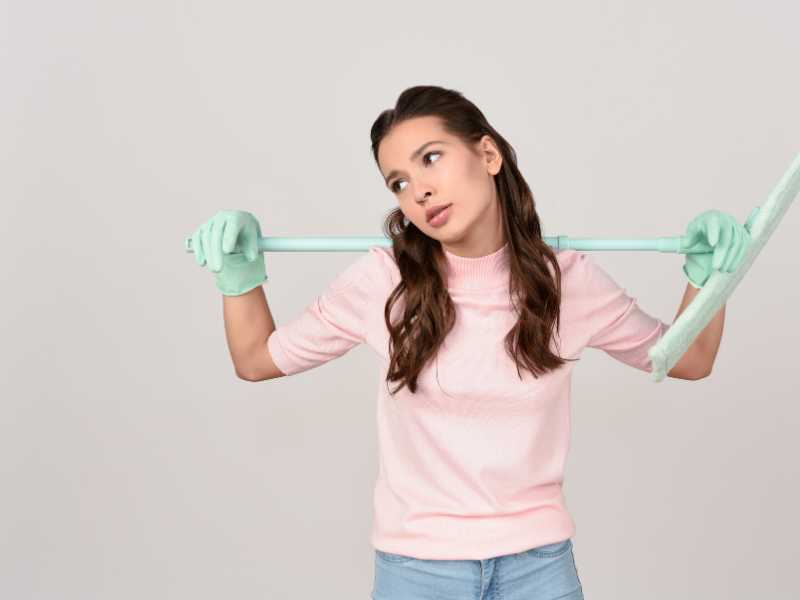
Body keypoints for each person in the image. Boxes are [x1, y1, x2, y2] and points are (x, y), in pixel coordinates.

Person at [189, 85, 751, 599]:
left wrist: (708, 278)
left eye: (430, 157)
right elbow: (257, 359)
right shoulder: (383, 282)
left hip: (540, 567)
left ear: (488, 155)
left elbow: (691, 359)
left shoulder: (567, 281)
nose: (419, 189)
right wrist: (239, 275)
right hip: (417, 571)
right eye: (399, 183)